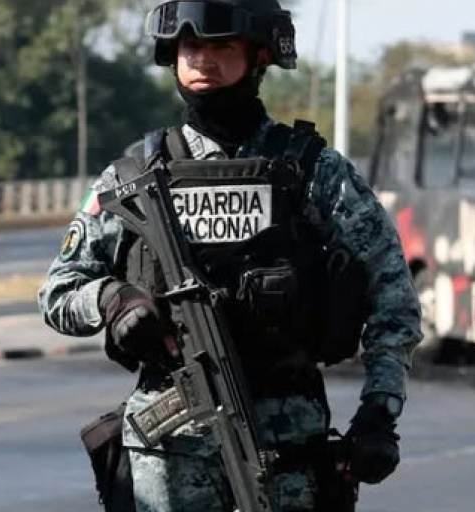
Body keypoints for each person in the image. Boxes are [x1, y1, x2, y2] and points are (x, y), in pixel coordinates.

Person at [37, 1, 422, 511]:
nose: (202, 59)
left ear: (260, 55)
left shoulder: (313, 172)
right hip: (166, 459)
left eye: (221, 46)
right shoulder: (132, 177)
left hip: (286, 455)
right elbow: (59, 290)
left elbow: (394, 299)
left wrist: (379, 411)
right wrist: (113, 299)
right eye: (190, 46)